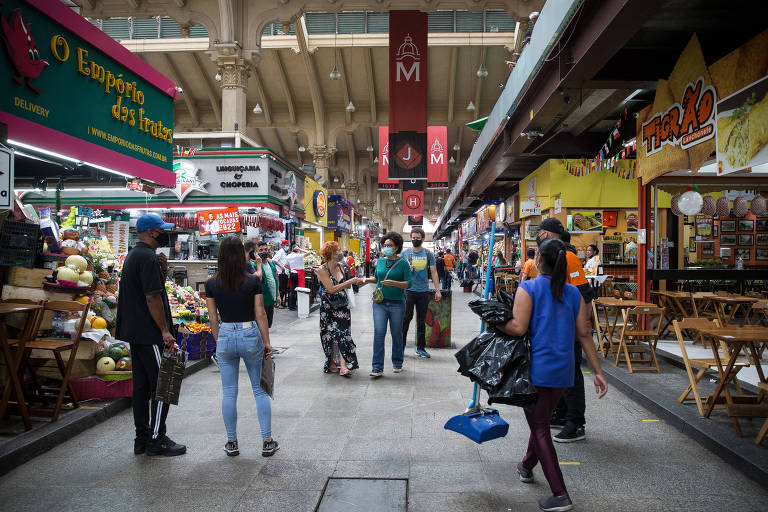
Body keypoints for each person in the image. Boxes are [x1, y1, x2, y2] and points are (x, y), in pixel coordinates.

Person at [497, 238, 607, 512]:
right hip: (564, 369)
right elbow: (584, 334)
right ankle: (525, 466)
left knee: (540, 427)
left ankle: (560, 494)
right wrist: (597, 371)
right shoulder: (573, 293)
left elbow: (519, 328)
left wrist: (494, 319)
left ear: (539, 262)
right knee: (542, 421)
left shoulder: (528, 288)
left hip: (536, 369)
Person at [116, 213, 186, 457]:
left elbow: (149, 290)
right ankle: (156, 438)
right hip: (150, 333)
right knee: (163, 384)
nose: (164, 234)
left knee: (143, 387)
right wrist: (165, 331)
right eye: (161, 230)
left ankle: (142, 438)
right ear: (150, 232)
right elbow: (152, 297)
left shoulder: (136, 256)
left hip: (137, 333)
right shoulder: (146, 257)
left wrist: (163, 271)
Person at [205, 236, 278, 458]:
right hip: (249, 333)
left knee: (229, 392)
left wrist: (219, 342)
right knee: (259, 389)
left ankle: (232, 442)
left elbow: (212, 319)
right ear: (241, 254)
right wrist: (267, 342)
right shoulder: (252, 281)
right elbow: (260, 313)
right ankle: (267, 441)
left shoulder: (211, 283)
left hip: (225, 332)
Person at [536, 218, 594, 443]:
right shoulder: (549, 256)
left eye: (540, 232)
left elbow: (584, 293)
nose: (538, 236)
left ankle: (576, 422)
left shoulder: (569, 257)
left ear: (548, 234)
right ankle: (560, 413)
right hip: (553, 325)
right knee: (558, 373)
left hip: (569, 326)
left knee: (572, 374)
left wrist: (583, 327)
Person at [361, 232, 411, 377]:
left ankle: (397, 361)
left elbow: (408, 283)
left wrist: (394, 283)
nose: (386, 248)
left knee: (396, 333)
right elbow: (377, 279)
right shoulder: (381, 261)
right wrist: (364, 280)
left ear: (397, 248)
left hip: (397, 303)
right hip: (380, 303)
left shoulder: (403, 263)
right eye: (385, 245)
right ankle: (377, 367)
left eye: (390, 245)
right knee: (379, 332)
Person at [316, 241, 362, 376]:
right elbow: (330, 289)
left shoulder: (343, 267)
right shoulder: (322, 269)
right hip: (328, 307)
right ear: (329, 254)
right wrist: (350, 281)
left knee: (343, 335)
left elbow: (346, 286)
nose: (339, 252)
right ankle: (331, 361)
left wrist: (355, 282)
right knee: (329, 335)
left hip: (342, 306)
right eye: (336, 251)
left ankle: (343, 366)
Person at [401, 228, 441, 359]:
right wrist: (407, 270)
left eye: (418, 238)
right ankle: (400, 348)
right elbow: (399, 271)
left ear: (423, 239)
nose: (415, 240)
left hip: (423, 291)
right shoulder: (405, 253)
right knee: (406, 318)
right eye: (413, 237)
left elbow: (434, 272)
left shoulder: (428, 254)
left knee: (421, 320)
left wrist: (437, 290)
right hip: (408, 291)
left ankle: (421, 348)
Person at [252, 240, 280, 327]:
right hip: (260, 300)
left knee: (268, 325)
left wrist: (278, 295)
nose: (264, 252)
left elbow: (275, 279)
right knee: (260, 326)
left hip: (271, 299)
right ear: (256, 252)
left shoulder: (271, 263)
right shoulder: (253, 265)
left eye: (265, 249)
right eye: (261, 250)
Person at [285, 244, 309, 310]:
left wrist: (291, 268)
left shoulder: (288, 256)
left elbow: (286, 265)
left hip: (292, 273)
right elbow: (308, 252)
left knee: (292, 289)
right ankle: (300, 305)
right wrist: (300, 249)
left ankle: (291, 305)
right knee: (300, 289)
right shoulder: (299, 255)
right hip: (299, 274)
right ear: (297, 249)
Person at [273, 240, 291, 308]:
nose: (287, 246)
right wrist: (281, 267)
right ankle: (278, 303)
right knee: (281, 289)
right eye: (286, 245)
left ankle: (282, 302)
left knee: (284, 289)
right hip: (281, 273)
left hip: (285, 273)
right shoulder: (280, 252)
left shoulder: (284, 252)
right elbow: (274, 260)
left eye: (287, 245)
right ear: (282, 245)